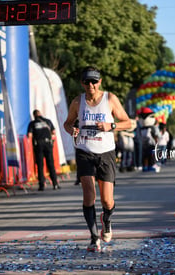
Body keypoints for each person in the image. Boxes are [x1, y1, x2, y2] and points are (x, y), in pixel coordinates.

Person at [63, 66, 131, 252]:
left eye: (94, 81)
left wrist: (111, 125)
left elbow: (128, 123)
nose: (90, 85)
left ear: (100, 82)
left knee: (107, 201)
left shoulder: (110, 99)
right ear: (82, 83)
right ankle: (94, 238)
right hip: (84, 151)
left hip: (106, 152)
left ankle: (106, 219)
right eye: (87, 82)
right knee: (89, 195)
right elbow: (67, 123)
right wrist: (73, 130)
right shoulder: (78, 102)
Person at [27, 110, 61, 191]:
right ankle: (55, 184)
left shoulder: (32, 123)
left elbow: (29, 135)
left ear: (34, 115)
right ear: (40, 114)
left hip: (38, 145)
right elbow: (53, 132)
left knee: (40, 165)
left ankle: (41, 185)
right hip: (48, 144)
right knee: (51, 164)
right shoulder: (48, 121)